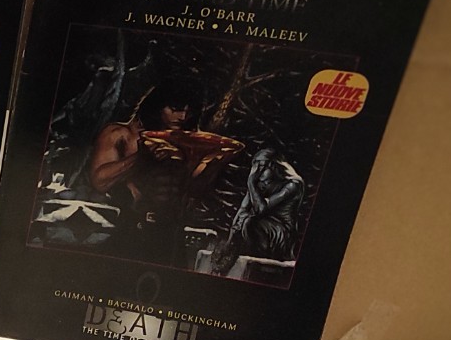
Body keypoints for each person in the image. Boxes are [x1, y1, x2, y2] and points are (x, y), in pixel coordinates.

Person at [85, 81, 242, 265]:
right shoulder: (121, 134)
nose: (182, 116)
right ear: (157, 106)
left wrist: (214, 163)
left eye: (188, 111)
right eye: (174, 109)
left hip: (171, 235)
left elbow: (193, 190)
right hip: (130, 230)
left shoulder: (186, 141)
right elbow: (100, 180)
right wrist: (140, 158)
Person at [211, 148, 305, 276]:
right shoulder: (260, 184)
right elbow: (243, 209)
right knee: (245, 220)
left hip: (280, 229)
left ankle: (257, 253)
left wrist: (251, 183)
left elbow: (261, 208)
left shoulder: (293, 184)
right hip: (258, 224)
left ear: (274, 166)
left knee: (249, 222)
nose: (256, 172)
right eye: (255, 167)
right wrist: (231, 237)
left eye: (261, 167)